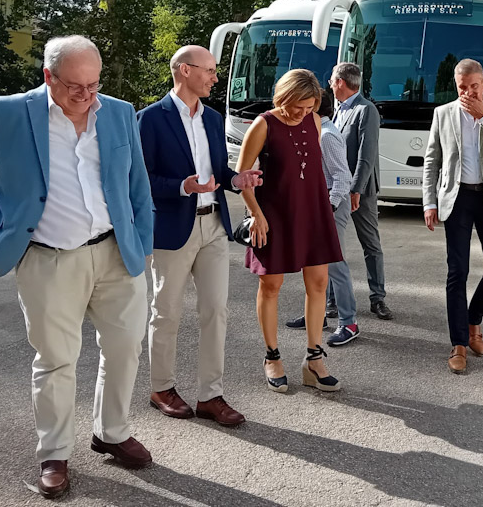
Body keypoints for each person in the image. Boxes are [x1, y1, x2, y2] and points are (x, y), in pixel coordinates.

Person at [0, 36, 155, 499]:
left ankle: (112, 432)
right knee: (56, 359)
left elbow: (136, 180)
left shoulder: (118, 112)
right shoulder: (8, 113)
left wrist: (143, 241)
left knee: (125, 348)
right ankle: (55, 453)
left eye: (94, 85)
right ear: (48, 76)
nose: (86, 96)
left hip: (116, 252)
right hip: (47, 257)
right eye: (75, 86)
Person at [138, 46, 263, 428]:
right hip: (173, 228)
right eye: (208, 70)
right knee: (167, 312)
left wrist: (235, 180)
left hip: (213, 226)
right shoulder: (149, 119)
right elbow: (140, 178)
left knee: (216, 311)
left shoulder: (212, 117)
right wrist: (181, 186)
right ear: (183, 71)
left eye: (214, 70)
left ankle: (211, 395)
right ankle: (162, 388)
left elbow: (218, 169)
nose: (214, 77)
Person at [238, 69, 344, 392]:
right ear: (284, 97)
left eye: (309, 107)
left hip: (313, 211)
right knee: (271, 285)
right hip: (274, 216)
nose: (303, 113)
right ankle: (272, 357)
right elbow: (242, 177)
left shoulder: (313, 120)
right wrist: (256, 214)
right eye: (298, 106)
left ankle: (313, 358)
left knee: (319, 282)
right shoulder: (263, 125)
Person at [422, 58, 483, 374]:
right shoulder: (443, 113)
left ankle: (473, 319)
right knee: (457, 272)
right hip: (458, 197)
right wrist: (429, 202)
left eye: (473, 87)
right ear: (456, 84)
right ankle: (459, 344)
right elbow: (431, 161)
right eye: (462, 87)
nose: (467, 93)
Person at [286, 89, 360, 346]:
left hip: (330, 206)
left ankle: (349, 322)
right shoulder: (314, 132)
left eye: (304, 106)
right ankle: (316, 314)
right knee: (314, 264)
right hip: (317, 205)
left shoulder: (327, 136)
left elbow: (342, 177)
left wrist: (328, 207)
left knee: (335, 265)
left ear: (315, 108)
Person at [330, 62, 392, 321]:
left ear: (341, 82)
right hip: (338, 189)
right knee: (333, 246)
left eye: (333, 81)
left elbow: (366, 156)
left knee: (371, 245)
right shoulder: (338, 111)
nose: (331, 85)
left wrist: (356, 189)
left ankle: (378, 298)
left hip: (360, 191)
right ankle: (332, 300)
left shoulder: (366, 110)